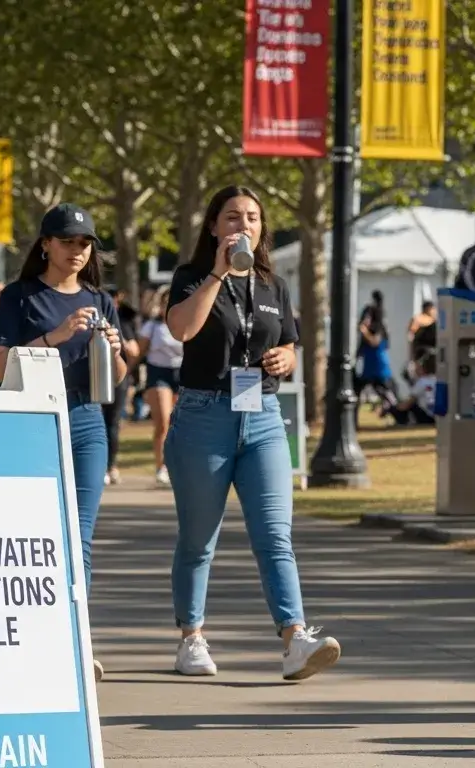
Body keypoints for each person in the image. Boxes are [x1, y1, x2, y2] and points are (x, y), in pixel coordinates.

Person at [163, 185, 341, 681]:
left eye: (254, 218)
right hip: (203, 415)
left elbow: (288, 343)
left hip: (262, 414)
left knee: (275, 536)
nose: (245, 225)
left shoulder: (273, 285)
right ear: (214, 227)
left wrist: (288, 357)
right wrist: (220, 272)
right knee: (199, 538)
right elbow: (182, 329)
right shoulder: (191, 277)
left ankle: (295, 640)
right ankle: (191, 637)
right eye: (234, 217)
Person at [0, 203, 125, 680]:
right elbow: (0, 367)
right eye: (68, 242)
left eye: (85, 244)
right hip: (32, 420)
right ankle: (25, 632)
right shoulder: (20, 297)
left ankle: (76, 639)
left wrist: (113, 349)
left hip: (87, 421)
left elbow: (120, 376)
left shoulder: (100, 300)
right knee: (30, 534)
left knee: (79, 537)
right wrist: (56, 336)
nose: (77, 251)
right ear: (45, 244)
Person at [139, 285, 183, 486]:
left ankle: (179, 466)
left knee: (180, 424)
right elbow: (139, 352)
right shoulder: (153, 326)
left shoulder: (187, 323)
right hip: (158, 374)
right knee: (163, 421)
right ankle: (161, 466)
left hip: (183, 374)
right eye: (166, 302)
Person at [103, 288, 141, 486]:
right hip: (91, 376)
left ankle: (110, 465)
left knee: (112, 422)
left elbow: (134, 351)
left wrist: (126, 369)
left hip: (116, 377)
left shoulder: (122, 320)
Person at [382, 353, 436, 426]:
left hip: (426, 417)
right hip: (436, 416)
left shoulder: (422, 382)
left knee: (409, 405)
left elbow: (408, 403)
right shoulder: (435, 379)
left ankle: (403, 422)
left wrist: (392, 408)